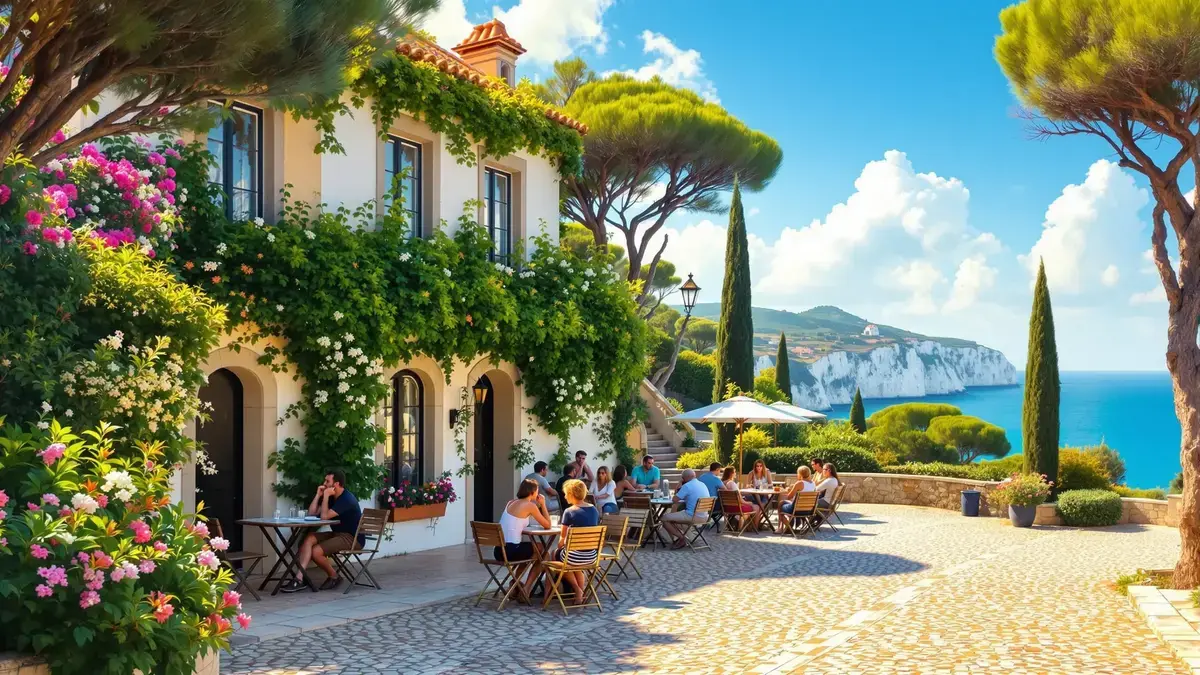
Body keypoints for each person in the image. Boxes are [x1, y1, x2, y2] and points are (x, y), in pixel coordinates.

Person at [283, 470, 362, 592]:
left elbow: (324, 517)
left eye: (327, 481)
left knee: (316, 551)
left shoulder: (346, 499)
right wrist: (318, 495)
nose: (324, 483)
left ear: (336, 484)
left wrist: (325, 496)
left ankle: (334, 576)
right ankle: (300, 577)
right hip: (338, 534)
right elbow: (312, 513)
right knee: (309, 538)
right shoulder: (331, 497)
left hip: (352, 538)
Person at [497, 478, 552, 595]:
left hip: (498, 550)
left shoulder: (510, 502)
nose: (538, 494)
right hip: (511, 551)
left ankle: (514, 585)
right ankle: (526, 588)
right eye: (537, 491)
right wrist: (543, 504)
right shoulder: (530, 506)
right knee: (543, 552)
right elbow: (547, 525)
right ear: (532, 492)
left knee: (531, 552)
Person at [555, 479, 600, 605]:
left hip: (574, 557)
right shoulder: (594, 510)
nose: (564, 496)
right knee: (575, 562)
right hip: (592, 556)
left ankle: (577, 589)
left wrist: (559, 547)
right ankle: (581, 594)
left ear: (571, 494)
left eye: (565, 493)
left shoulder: (569, 512)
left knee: (557, 555)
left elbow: (562, 540)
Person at [661, 469, 711, 549]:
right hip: (705, 517)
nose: (683, 479)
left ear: (685, 478)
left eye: (683, 478)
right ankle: (679, 539)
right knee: (674, 518)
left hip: (692, 516)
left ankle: (682, 539)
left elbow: (674, 499)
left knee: (664, 518)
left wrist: (680, 483)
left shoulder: (687, 486)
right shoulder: (702, 484)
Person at [776, 466, 817, 534]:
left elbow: (789, 497)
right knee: (786, 503)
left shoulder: (799, 483)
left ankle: (782, 528)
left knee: (781, 504)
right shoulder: (813, 483)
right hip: (809, 510)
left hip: (796, 510)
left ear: (800, 474)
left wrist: (786, 490)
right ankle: (790, 525)